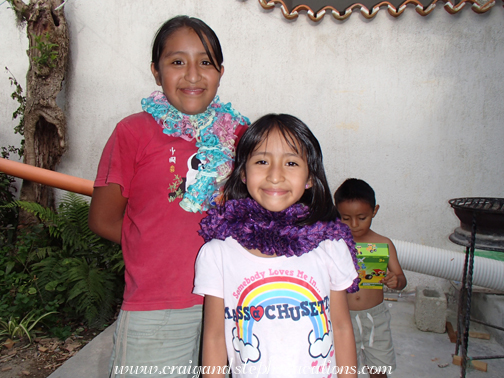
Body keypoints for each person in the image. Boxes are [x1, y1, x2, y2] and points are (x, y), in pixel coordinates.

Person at [88, 15, 249, 378]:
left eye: (205, 62)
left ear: (221, 71)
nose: (193, 75)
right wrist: (156, 246)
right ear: (156, 71)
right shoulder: (133, 131)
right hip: (156, 308)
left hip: (232, 304)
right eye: (177, 62)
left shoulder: (242, 134)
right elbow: (103, 219)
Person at [193, 114, 360, 377]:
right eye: (262, 161)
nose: (275, 176)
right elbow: (214, 337)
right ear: (243, 173)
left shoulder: (329, 245)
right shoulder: (217, 253)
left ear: (310, 179)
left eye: (291, 162)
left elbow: (340, 327)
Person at [333, 178, 407, 378]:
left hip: (376, 318)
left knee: (379, 368)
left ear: (375, 211)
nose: (354, 224)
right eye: (346, 218)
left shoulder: (383, 243)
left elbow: (401, 278)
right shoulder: (334, 244)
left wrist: (395, 281)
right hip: (342, 317)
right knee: (346, 369)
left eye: (362, 217)